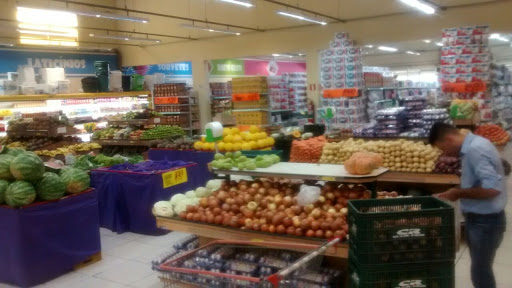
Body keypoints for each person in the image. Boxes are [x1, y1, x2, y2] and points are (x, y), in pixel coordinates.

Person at [428, 122, 507, 288]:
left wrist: (458, 193)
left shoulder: (475, 150)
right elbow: (476, 182)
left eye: (442, 148)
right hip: (481, 220)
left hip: (485, 221)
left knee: (480, 270)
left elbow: (492, 189)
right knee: (480, 268)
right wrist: (454, 190)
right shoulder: (474, 145)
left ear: (448, 139)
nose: (444, 153)